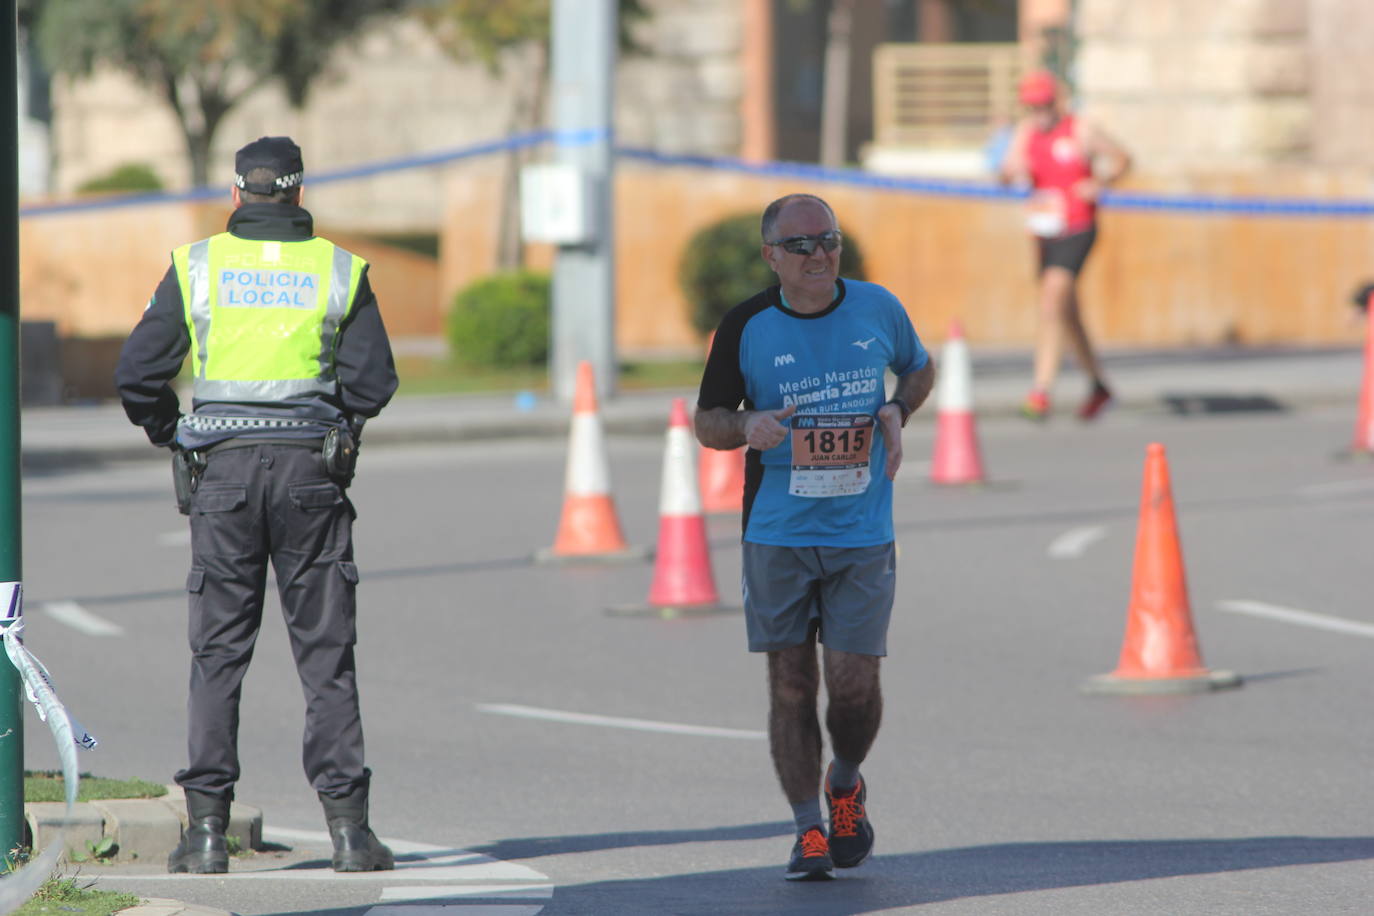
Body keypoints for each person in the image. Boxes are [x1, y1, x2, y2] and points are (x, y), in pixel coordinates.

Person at [115, 136, 398, 875]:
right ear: (299, 195)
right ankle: (349, 834)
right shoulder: (339, 269)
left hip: (224, 478)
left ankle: (206, 835)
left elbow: (138, 373)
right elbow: (375, 381)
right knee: (326, 657)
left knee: (218, 655)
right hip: (311, 475)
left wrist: (173, 433)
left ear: (237, 194)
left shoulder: (197, 266)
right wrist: (336, 428)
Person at [695, 194, 934, 881]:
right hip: (777, 531)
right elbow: (707, 420)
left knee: (854, 687)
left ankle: (846, 781)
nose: (818, 254)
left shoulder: (877, 307)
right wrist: (747, 428)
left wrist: (895, 408)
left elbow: (919, 366)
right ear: (771, 256)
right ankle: (807, 829)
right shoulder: (746, 325)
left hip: (862, 529)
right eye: (800, 246)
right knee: (792, 686)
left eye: (828, 240)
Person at [999, 69, 1131, 421]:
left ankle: (1041, 389)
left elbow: (1122, 157)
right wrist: (1012, 171)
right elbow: (1004, 172)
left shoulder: (1080, 129)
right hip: (1045, 231)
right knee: (1066, 312)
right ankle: (1099, 386)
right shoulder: (1026, 134)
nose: (1038, 112)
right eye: (1031, 106)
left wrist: (1100, 181)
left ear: (1055, 101)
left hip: (1078, 226)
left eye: (1043, 104)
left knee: (1052, 297)